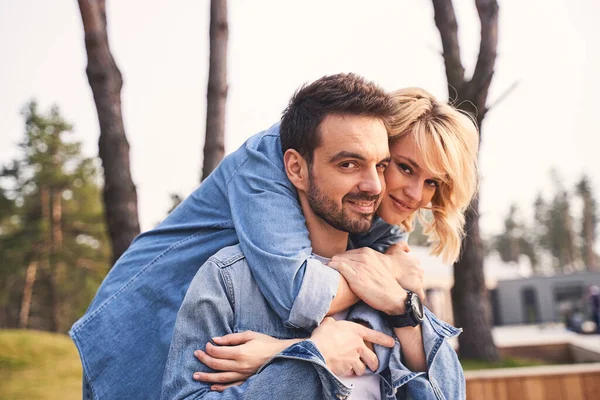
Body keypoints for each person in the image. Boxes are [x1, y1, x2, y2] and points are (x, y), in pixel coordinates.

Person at [71, 73, 414, 400]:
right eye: (408, 170)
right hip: (140, 323)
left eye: (382, 165)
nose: (413, 195)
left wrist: (277, 352)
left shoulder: (362, 213)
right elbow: (303, 298)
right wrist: (388, 270)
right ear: (296, 167)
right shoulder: (265, 165)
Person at [160, 86, 479, 399]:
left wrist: (401, 305)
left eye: (432, 182)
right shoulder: (230, 278)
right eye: (350, 163)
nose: (412, 193)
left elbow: (445, 392)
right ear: (296, 169)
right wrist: (313, 357)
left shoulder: (389, 277)